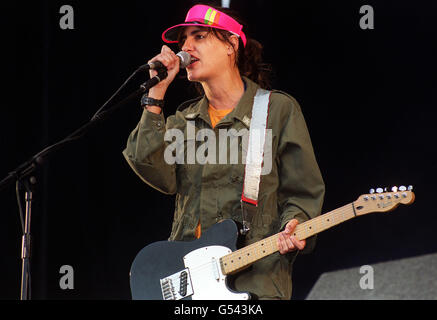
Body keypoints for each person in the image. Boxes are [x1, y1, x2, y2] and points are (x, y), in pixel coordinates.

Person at [122, 4, 325, 300]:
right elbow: (153, 170)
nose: (186, 47)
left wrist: (295, 222)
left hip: (256, 284)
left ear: (231, 45)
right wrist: (155, 96)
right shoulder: (183, 120)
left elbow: (303, 193)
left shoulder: (276, 110)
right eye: (183, 41)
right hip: (188, 287)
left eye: (199, 36)